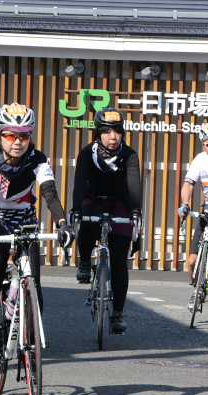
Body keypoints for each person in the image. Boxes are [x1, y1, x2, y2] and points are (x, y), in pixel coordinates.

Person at [0, 103, 72, 333]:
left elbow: (50, 194)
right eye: (11, 135)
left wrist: (63, 224)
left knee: (33, 276)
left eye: (23, 136)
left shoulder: (38, 160)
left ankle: (33, 341)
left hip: (22, 215)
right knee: (1, 245)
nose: (17, 142)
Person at [70, 108, 142, 334]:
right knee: (88, 217)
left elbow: (133, 186)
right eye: (107, 131)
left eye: (118, 131)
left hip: (121, 203)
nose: (113, 137)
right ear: (98, 133)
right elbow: (79, 183)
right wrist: (75, 209)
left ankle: (117, 314)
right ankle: (84, 262)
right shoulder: (87, 153)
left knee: (119, 259)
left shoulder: (129, 155)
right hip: (94, 199)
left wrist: (136, 211)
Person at [177, 121, 208, 310]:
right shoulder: (200, 160)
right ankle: (197, 289)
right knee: (192, 261)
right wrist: (184, 204)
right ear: (203, 145)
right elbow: (189, 183)